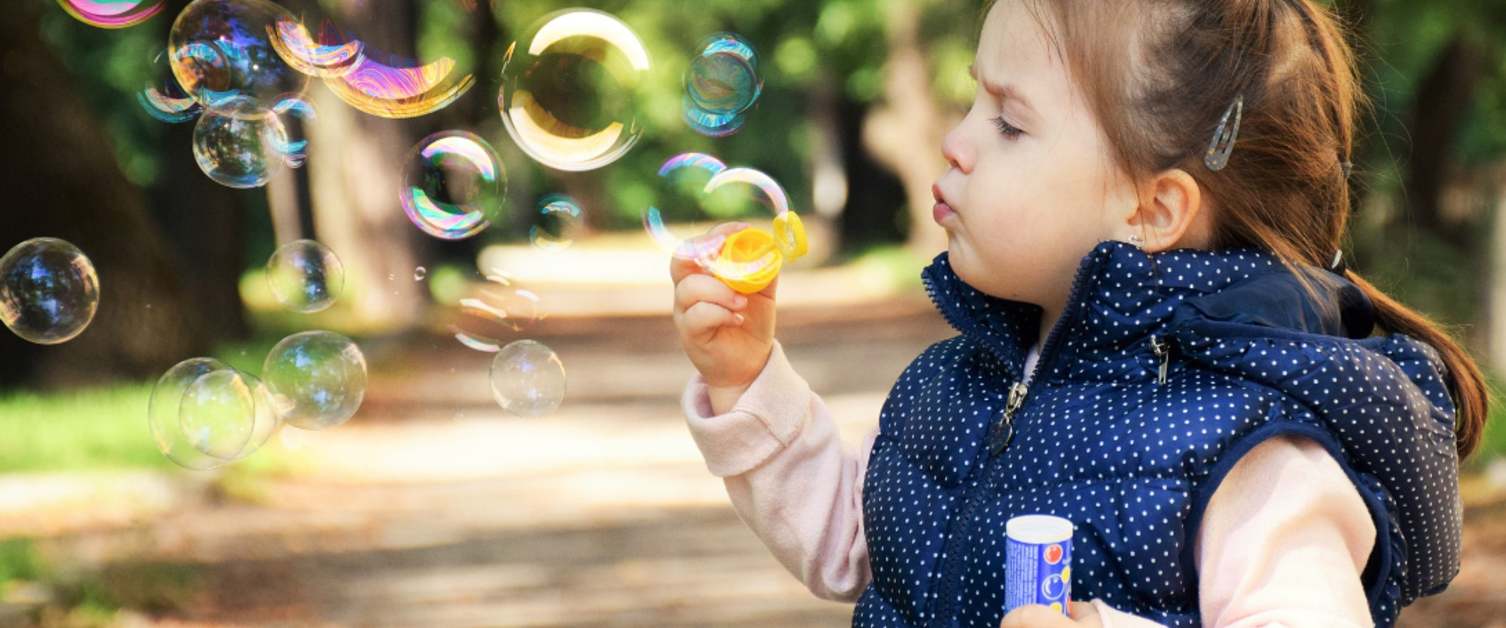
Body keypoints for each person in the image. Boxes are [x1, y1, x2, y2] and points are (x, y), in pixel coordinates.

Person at [668, 0, 1489, 626]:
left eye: (1010, 121)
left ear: (1154, 209)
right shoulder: (964, 381)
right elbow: (864, 546)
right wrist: (749, 384)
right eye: (971, 101)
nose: (956, 142)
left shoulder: (1252, 449)